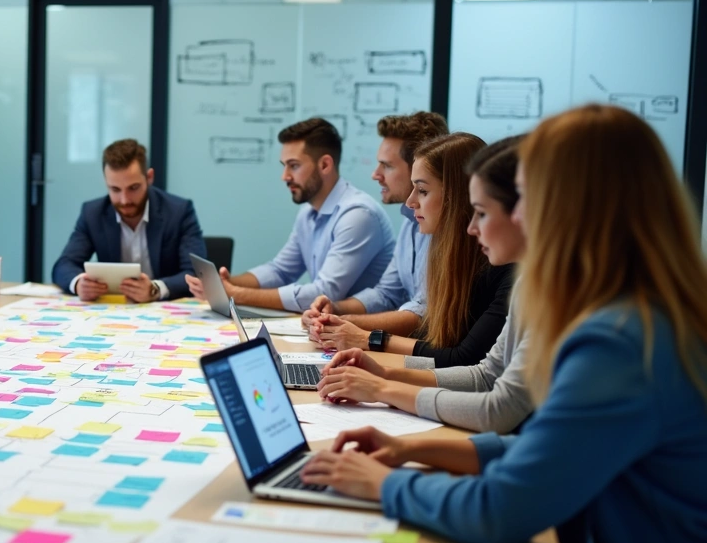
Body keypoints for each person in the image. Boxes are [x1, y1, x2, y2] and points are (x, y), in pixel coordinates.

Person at [301, 105, 707, 543]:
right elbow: (552, 449)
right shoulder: (627, 307)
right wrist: (411, 448)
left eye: (525, 198)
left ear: (569, 207)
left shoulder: (619, 341)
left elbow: (501, 509)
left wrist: (383, 485)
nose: (509, 215)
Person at [313, 136, 533, 433]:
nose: (471, 227)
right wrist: (383, 374)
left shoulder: (521, 277)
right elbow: (483, 376)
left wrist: (382, 384)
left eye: (481, 212)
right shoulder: (518, 281)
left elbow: (491, 395)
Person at [184, 118, 393, 312]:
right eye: (284, 167)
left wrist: (236, 294)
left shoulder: (358, 215)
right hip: (331, 328)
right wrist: (225, 285)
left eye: (294, 166)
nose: (285, 177)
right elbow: (280, 271)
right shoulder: (308, 213)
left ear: (325, 165)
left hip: (367, 334)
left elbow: (325, 292)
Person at [301, 112, 449, 337]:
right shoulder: (410, 221)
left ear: (418, 168)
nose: (375, 175)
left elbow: (423, 314)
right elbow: (386, 294)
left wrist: (345, 322)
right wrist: (335, 309)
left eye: (387, 166)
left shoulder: (444, 228)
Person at [51, 138, 205, 302]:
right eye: (115, 189)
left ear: (149, 177)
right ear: (106, 182)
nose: (124, 200)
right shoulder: (93, 213)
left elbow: (195, 273)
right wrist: (78, 283)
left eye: (133, 188)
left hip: (165, 311)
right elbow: (63, 265)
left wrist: (155, 289)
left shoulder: (179, 211)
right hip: (111, 311)